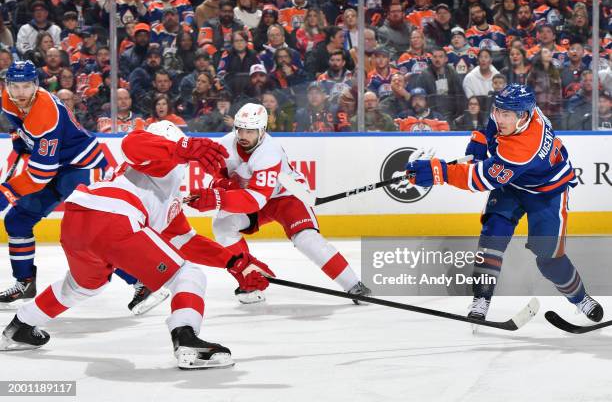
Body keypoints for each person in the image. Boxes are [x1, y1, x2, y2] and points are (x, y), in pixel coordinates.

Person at [0, 121, 275, 371]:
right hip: (115, 218)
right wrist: (183, 148)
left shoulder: (162, 189)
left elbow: (186, 241)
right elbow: (132, 144)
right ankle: (187, 339)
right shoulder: (155, 160)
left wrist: (234, 263)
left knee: (82, 286)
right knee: (188, 276)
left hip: (78, 221)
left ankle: (20, 326)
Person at [405, 83, 603, 322]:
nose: (499, 118)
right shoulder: (519, 113)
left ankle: (580, 298)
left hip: (548, 193)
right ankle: (481, 298)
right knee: (492, 237)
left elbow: (479, 179)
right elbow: (493, 124)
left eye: (505, 114)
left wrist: (438, 172)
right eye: (497, 111)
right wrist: (480, 138)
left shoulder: (523, 148)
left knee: (549, 259)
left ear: (523, 117)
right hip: (512, 185)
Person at [187, 103, 371, 304]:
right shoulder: (225, 146)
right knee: (222, 225)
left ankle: (354, 284)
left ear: (262, 131)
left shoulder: (268, 152)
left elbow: (255, 199)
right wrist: (220, 184)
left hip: (286, 197)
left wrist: (219, 198)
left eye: (250, 131)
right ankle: (249, 278)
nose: (243, 135)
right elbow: (218, 177)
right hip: (251, 195)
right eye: (240, 129)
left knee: (306, 239)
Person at [0, 60, 105, 306]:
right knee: (17, 221)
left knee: (92, 233)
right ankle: (24, 282)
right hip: (55, 164)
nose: (20, 93)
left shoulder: (45, 113)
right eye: (15, 87)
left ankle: (140, 281)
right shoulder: (7, 99)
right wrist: (21, 138)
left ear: (36, 85)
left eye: (26, 86)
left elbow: (39, 175)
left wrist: (8, 191)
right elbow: (20, 126)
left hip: (81, 166)